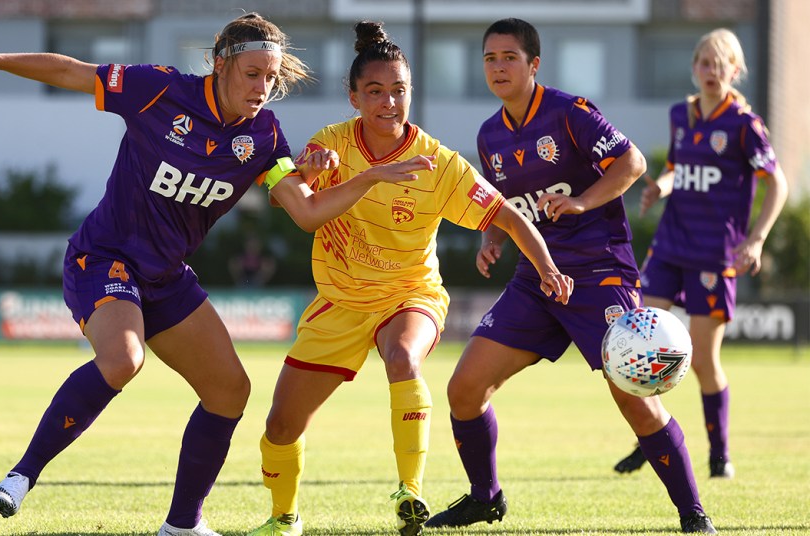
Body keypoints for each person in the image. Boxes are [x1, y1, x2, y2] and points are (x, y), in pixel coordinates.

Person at [0, 14, 434, 536]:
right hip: (104, 258)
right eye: (253, 74)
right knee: (124, 360)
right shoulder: (157, 89)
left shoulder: (264, 136)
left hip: (165, 277)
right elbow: (72, 71)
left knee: (230, 391)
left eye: (271, 78)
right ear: (221, 63)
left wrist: (362, 178)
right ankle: (22, 475)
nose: (263, 88)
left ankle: (183, 525)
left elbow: (305, 212)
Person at [247, 21, 571, 536]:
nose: (389, 102)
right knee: (280, 427)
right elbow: (285, 197)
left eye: (399, 90)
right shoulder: (331, 142)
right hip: (340, 301)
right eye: (375, 92)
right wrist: (308, 170)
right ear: (354, 97)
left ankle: (410, 494)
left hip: (410, 294)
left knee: (402, 356)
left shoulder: (437, 164)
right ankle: (284, 518)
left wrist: (547, 266)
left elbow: (508, 216)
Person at [426, 18, 718, 534]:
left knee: (634, 397)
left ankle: (693, 513)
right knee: (464, 388)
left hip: (598, 271)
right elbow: (504, 208)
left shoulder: (571, 112)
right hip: (535, 279)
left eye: (509, 57)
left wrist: (582, 201)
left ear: (533, 64)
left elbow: (631, 164)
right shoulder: (489, 135)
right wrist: (491, 239)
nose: (498, 67)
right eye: (490, 58)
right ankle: (485, 497)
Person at [612, 28, 788, 479]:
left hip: (714, 254)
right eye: (705, 63)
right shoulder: (681, 115)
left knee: (704, 361)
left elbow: (777, 184)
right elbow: (677, 167)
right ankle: (650, 439)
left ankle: (718, 452)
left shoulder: (744, 126)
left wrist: (757, 238)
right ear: (694, 68)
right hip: (670, 246)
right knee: (641, 340)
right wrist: (661, 187)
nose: (712, 71)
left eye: (721, 63)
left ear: (736, 70)